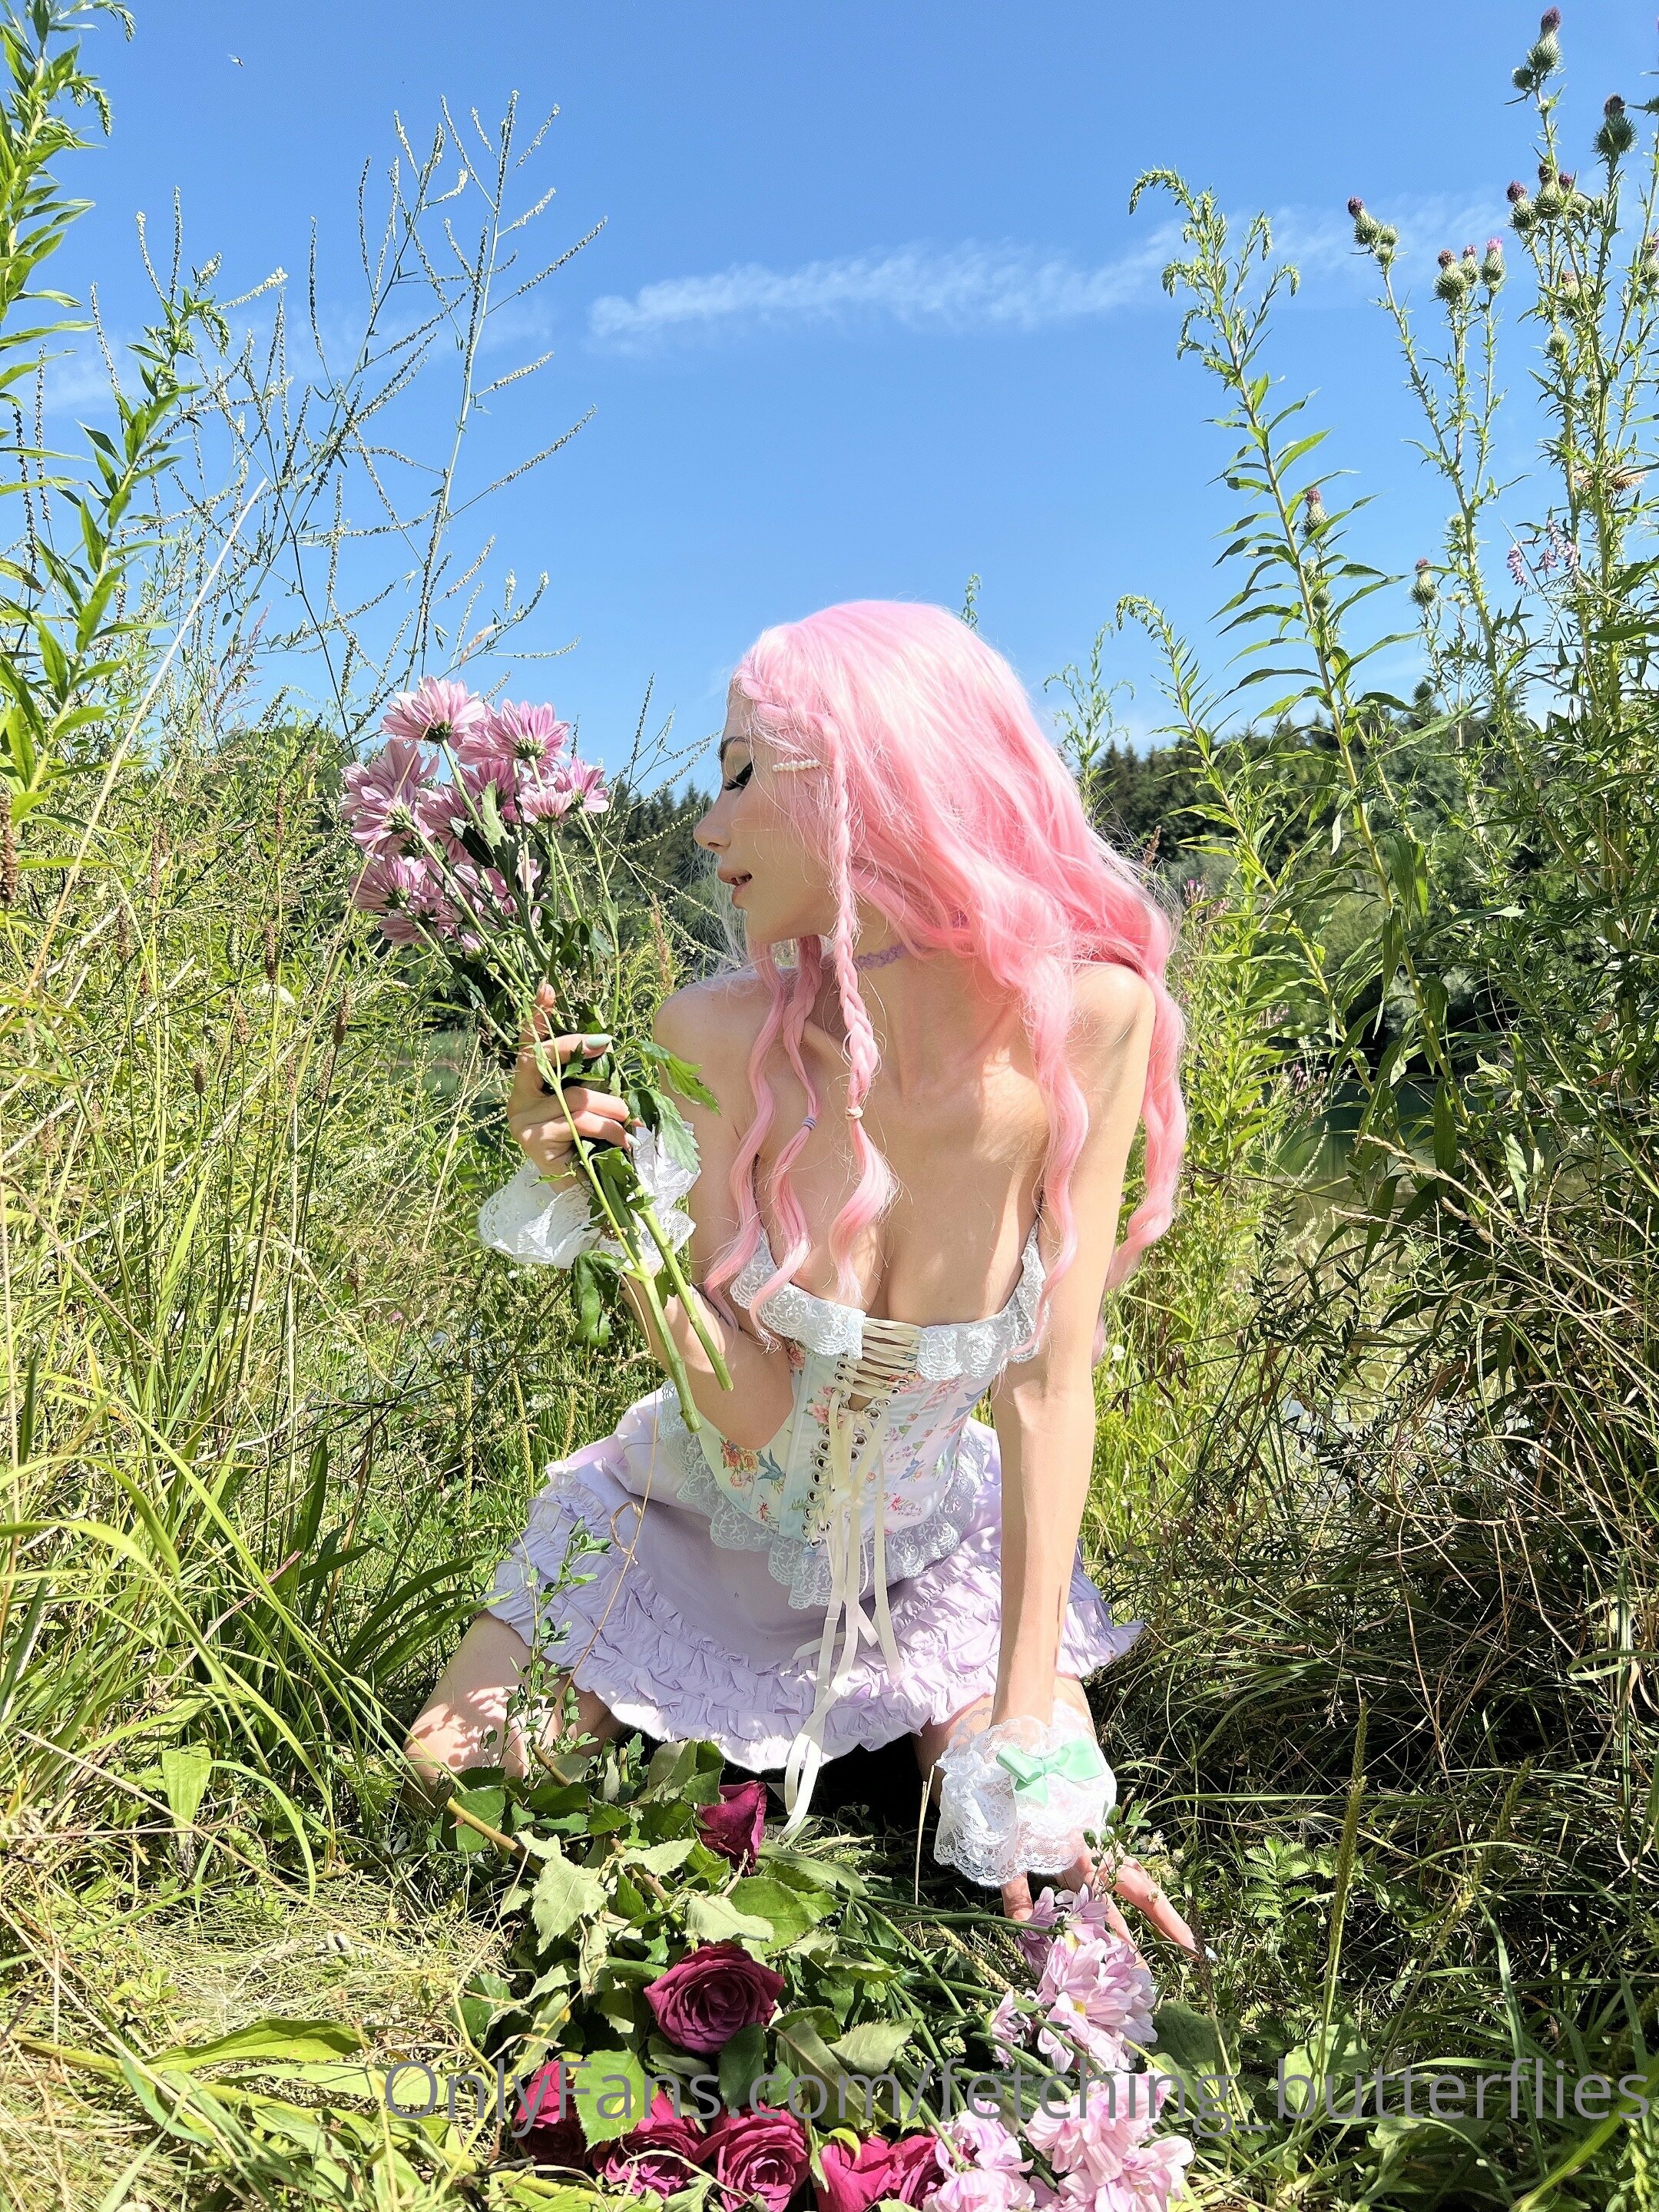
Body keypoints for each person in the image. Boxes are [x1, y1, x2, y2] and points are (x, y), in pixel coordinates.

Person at [406, 600, 1194, 1947]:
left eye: (738, 775)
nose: (705, 826)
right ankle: (713, 1795)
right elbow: (749, 1412)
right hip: (693, 1522)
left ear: (871, 783)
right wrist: (607, 1199)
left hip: (929, 1551)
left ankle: (920, 1760)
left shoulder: (1096, 1021)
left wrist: (1024, 1727)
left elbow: (1050, 1388)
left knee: (1035, 1859)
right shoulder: (712, 1037)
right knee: (458, 1775)